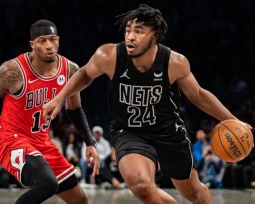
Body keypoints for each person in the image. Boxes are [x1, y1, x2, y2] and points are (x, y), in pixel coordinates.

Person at [42, 4, 250, 204]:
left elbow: (198, 95)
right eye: (128, 30)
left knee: (195, 194)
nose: (130, 36)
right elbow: (85, 74)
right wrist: (58, 99)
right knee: (141, 185)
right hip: (129, 132)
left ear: (155, 35)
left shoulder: (174, 62)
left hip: (168, 132)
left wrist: (232, 120)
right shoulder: (109, 55)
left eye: (139, 31)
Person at [0, 19, 99, 203]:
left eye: (52, 40)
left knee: (80, 200)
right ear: (32, 44)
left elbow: (75, 108)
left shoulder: (70, 70)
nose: (49, 46)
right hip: (10, 139)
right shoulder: (13, 71)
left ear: (59, 40)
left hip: (41, 142)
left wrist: (90, 142)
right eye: (42, 41)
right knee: (47, 183)